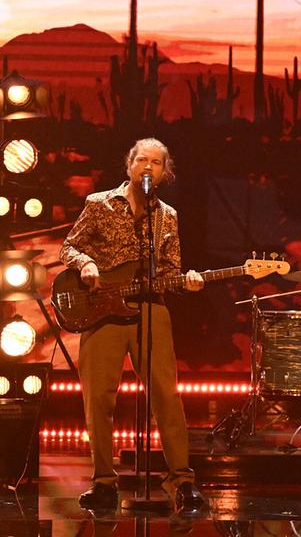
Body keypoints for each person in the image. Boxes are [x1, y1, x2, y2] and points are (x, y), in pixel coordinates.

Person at [60, 138, 206, 512]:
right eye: (142, 159)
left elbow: (171, 269)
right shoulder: (99, 204)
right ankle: (104, 482)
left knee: (167, 396)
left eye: (156, 162)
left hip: (150, 308)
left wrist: (186, 280)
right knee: (99, 399)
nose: (147, 166)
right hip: (101, 310)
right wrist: (86, 264)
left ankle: (181, 480)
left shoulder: (167, 216)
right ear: (129, 165)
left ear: (164, 172)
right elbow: (68, 247)